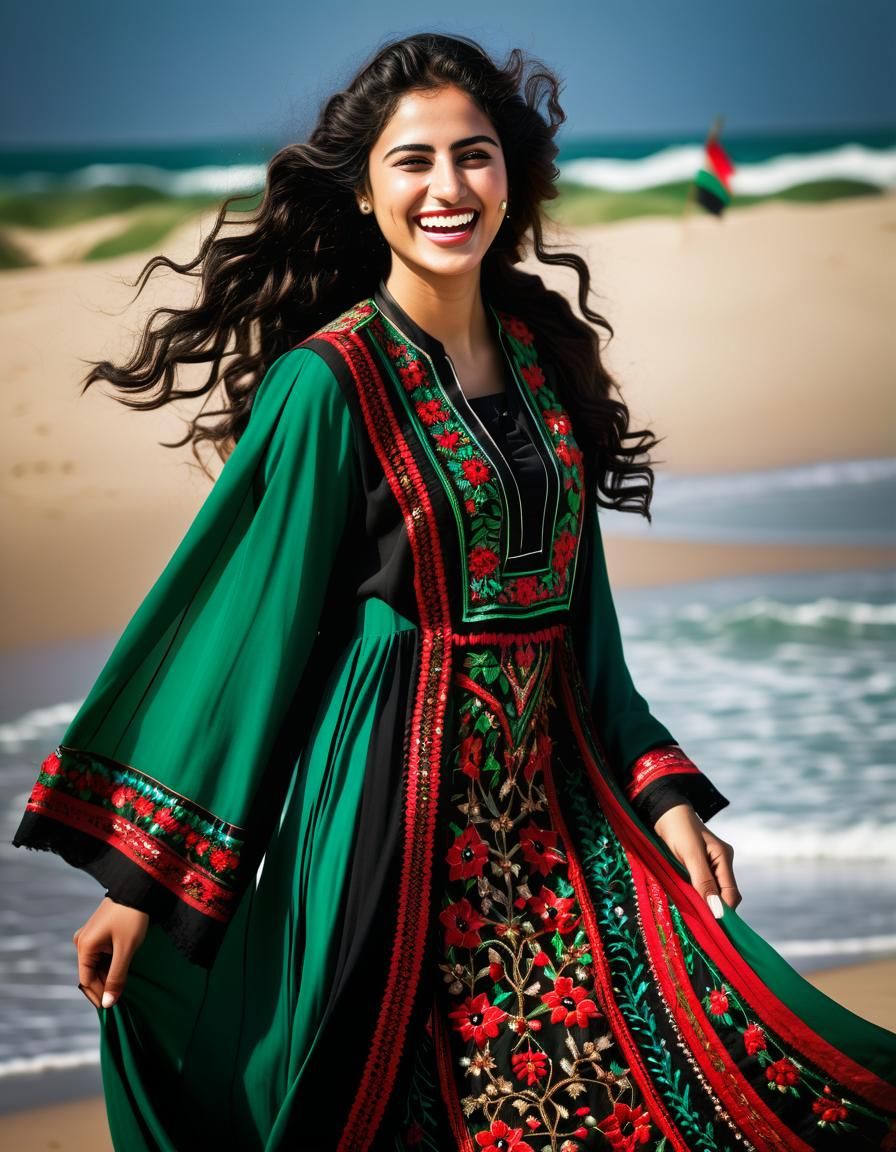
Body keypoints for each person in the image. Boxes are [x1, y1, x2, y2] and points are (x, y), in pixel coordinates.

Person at [11, 30, 896, 1152]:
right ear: (366, 192)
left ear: (512, 178)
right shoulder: (323, 385)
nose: (447, 188)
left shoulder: (543, 361)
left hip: (562, 828)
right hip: (390, 834)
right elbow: (244, 641)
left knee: (712, 1081)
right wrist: (140, 887)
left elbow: (588, 641)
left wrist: (664, 794)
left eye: (473, 157)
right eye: (411, 162)